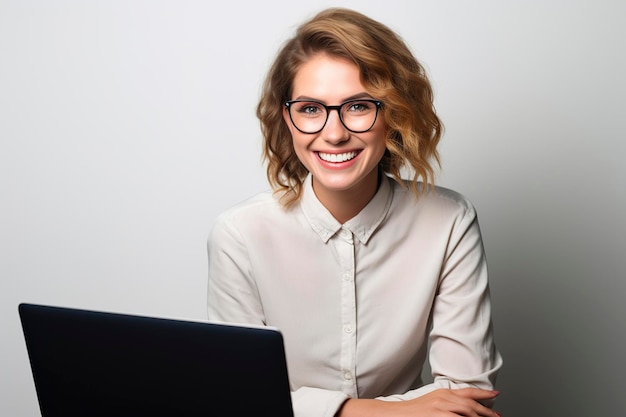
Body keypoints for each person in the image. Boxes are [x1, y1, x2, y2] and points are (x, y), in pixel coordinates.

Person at [207, 7, 503, 417]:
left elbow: (469, 396)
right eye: (310, 109)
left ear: (394, 114)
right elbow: (238, 400)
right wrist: (385, 412)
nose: (334, 133)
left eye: (359, 106)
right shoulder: (240, 234)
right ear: (286, 119)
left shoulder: (448, 221)